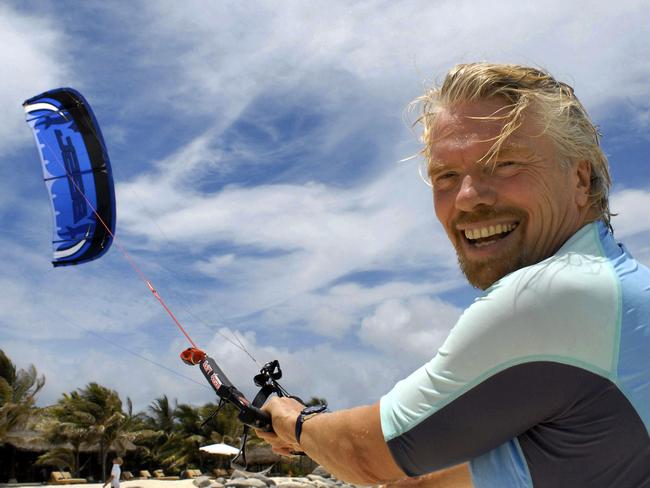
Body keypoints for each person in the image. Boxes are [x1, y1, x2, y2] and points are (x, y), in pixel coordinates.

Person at [257, 63, 650, 487]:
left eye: (503, 162)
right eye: (445, 176)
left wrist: (294, 421)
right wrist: (315, 437)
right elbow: (455, 478)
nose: (466, 198)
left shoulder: (556, 294)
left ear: (579, 178)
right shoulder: (618, 290)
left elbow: (366, 457)